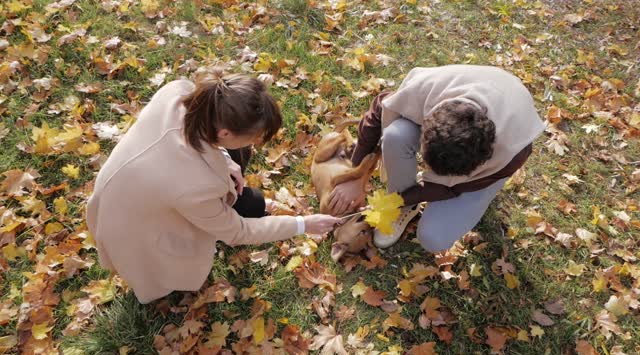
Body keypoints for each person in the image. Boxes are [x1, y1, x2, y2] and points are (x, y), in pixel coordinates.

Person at [86, 71, 340, 303]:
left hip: (122, 187)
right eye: (254, 137)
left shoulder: (180, 94)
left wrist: (226, 160)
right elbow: (237, 232)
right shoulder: (195, 187)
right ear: (226, 133)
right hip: (131, 225)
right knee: (175, 262)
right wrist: (303, 224)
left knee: (236, 163)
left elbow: (189, 147)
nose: (257, 142)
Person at [329, 65, 546, 252]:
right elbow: (379, 109)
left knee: (434, 238)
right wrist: (355, 174)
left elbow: (451, 188)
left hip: (508, 128)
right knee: (396, 136)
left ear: (480, 163)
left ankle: (411, 202)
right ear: (427, 125)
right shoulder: (427, 87)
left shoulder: (513, 152)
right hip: (481, 86)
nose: (425, 169)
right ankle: (403, 208)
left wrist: (396, 199)